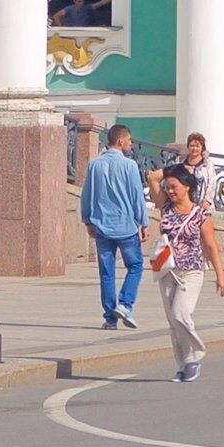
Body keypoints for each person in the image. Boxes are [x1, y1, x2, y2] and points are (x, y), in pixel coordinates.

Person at [150, 166, 221, 383]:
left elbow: (211, 246)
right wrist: (175, 167)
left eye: (174, 186)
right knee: (173, 320)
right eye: (168, 187)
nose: (170, 191)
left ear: (187, 187)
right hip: (167, 269)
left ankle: (195, 356)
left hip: (192, 270)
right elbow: (153, 177)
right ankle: (184, 364)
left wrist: (221, 276)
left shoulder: (201, 215)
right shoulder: (166, 207)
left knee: (181, 313)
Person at [81, 123, 148, 329]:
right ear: (120, 141)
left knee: (107, 272)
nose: (130, 143)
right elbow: (137, 196)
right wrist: (143, 221)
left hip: (102, 226)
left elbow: (87, 194)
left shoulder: (95, 165)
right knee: (135, 266)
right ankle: (125, 304)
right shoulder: (129, 166)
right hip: (126, 226)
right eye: (128, 139)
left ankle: (110, 318)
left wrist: (87, 220)